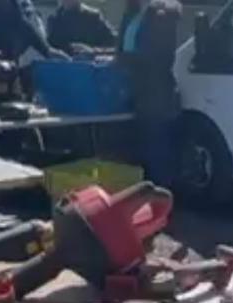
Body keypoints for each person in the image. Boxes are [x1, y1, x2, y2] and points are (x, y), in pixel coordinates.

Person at [116, 0, 183, 187]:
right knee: (140, 153)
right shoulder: (132, 12)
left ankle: (163, 201)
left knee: (157, 153)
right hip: (134, 94)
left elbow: (160, 57)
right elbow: (123, 48)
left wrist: (125, 61)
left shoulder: (165, 13)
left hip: (156, 95)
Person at [48, 0, 117, 54]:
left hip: (89, 68)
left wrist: (92, 51)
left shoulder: (93, 17)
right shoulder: (54, 20)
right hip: (63, 68)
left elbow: (114, 43)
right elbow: (49, 49)